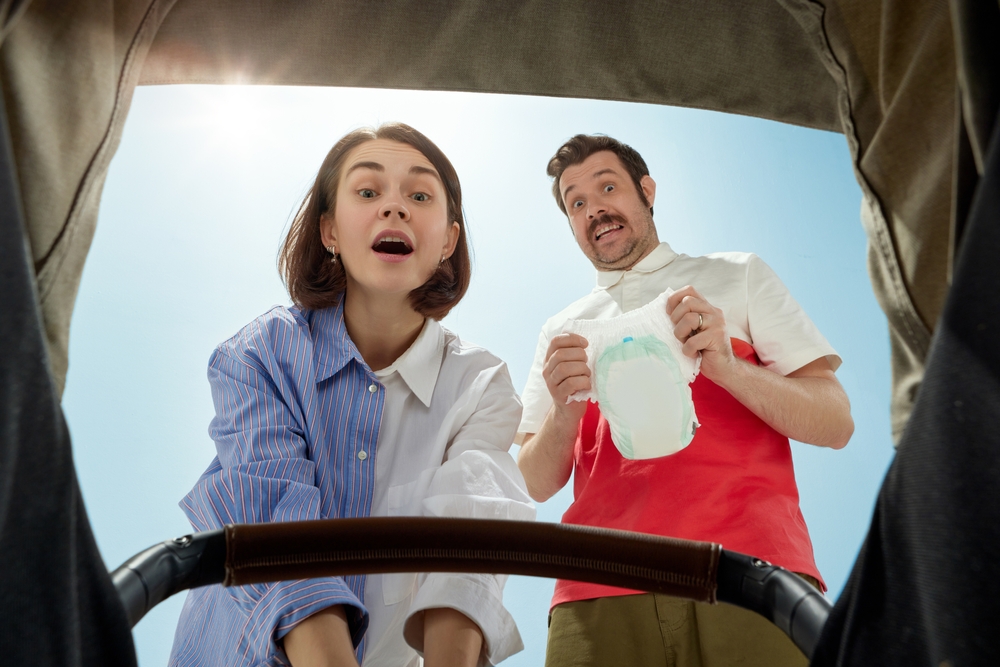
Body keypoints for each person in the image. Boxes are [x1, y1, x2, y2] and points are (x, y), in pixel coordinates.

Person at [168, 123, 534, 667]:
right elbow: (276, 528)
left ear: (449, 241)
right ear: (329, 231)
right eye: (368, 192)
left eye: (419, 195)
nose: (395, 208)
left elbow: (469, 544)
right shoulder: (260, 354)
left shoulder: (480, 383)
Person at [516, 134, 855, 667]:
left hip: (751, 570)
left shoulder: (737, 275)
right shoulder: (560, 331)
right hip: (597, 588)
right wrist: (565, 413)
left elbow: (835, 422)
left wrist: (725, 364)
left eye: (608, 187)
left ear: (647, 191)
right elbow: (531, 481)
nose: (594, 209)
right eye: (575, 202)